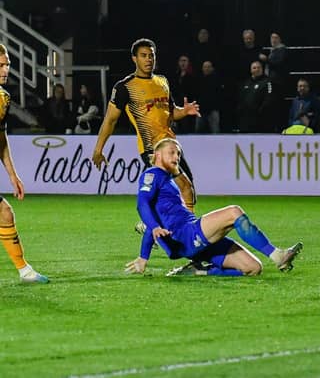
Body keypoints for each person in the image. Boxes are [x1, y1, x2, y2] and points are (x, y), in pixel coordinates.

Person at [125, 138, 303, 277]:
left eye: (178, 154)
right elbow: (142, 204)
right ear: (156, 154)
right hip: (186, 235)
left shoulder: (167, 180)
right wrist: (146, 250)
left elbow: (152, 221)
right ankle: (277, 255)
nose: (176, 157)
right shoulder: (152, 174)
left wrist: (145, 254)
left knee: (253, 268)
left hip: (192, 239)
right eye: (171, 152)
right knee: (234, 212)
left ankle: (198, 271)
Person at [92, 38, 201, 211]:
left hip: (171, 145)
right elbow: (110, 120)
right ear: (134, 58)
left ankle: (156, 225)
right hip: (152, 147)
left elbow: (170, 113)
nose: (149, 59)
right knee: (184, 188)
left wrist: (184, 111)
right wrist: (98, 150)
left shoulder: (162, 81)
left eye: (151, 55)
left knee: (186, 188)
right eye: (144, 55)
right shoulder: (125, 87)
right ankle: (186, 231)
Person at [0, 44, 48, 283]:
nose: (5, 69)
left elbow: (1, 138)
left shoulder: (3, 98)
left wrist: (12, 175)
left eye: (7, 64)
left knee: (5, 214)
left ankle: (25, 271)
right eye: (0, 64)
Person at [236, 60, 275, 133]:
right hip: (245, 120)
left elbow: (268, 99)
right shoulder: (246, 83)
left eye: (258, 67)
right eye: (254, 68)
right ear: (251, 70)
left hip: (260, 120)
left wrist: (259, 111)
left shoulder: (267, 82)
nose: (257, 69)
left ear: (262, 69)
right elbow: (241, 99)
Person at [194, 60, 224, 134]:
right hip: (201, 110)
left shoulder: (217, 80)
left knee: (215, 131)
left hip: (213, 110)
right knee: (198, 131)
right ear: (202, 68)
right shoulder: (199, 80)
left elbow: (219, 95)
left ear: (212, 68)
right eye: (205, 67)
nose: (206, 68)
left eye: (208, 67)